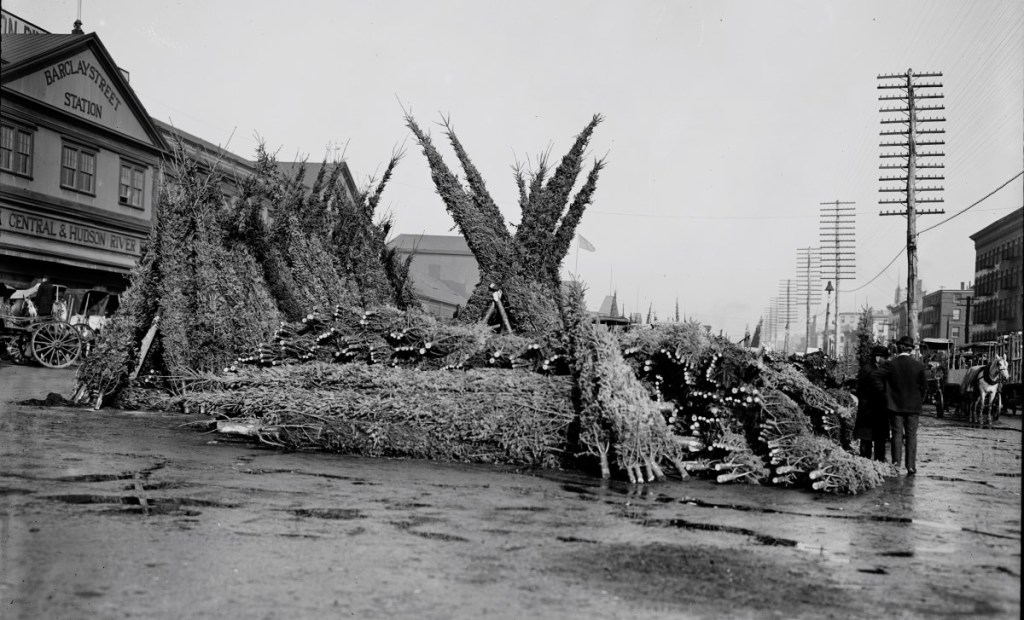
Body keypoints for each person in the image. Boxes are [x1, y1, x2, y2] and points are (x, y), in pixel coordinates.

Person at [883, 336, 928, 475]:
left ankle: (896, 466)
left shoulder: (891, 365)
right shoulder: (918, 366)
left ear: (899, 348)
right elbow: (924, 387)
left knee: (896, 435)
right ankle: (911, 466)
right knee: (911, 435)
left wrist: (888, 398)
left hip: (895, 406)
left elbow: (884, 384)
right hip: (913, 406)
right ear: (910, 349)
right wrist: (919, 400)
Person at [854, 345, 890, 461]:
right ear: (878, 358)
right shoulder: (869, 370)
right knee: (867, 437)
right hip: (869, 408)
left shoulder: (869, 368)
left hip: (875, 408)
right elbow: (861, 389)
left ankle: (877, 459)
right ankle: (867, 459)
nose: (887, 360)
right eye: (885, 358)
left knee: (876, 437)